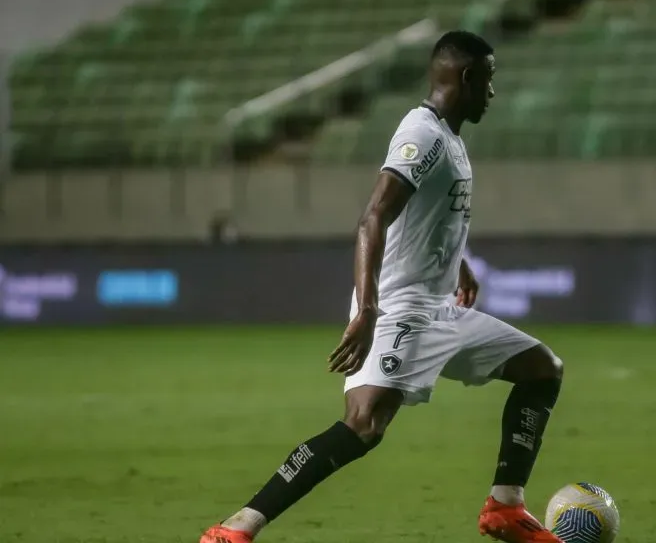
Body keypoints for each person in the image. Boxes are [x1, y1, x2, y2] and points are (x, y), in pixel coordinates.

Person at [199, 31, 565, 543]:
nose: (493, 91)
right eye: (490, 79)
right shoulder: (424, 134)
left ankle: (505, 507)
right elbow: (373, 216)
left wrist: (456, 263)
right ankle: (236, 527)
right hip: (399, 309)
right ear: (467, 77)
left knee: (542, 370)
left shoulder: (450, 138)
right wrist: (368, 309)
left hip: (438, 306)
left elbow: (426, 218)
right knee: (364, 424)